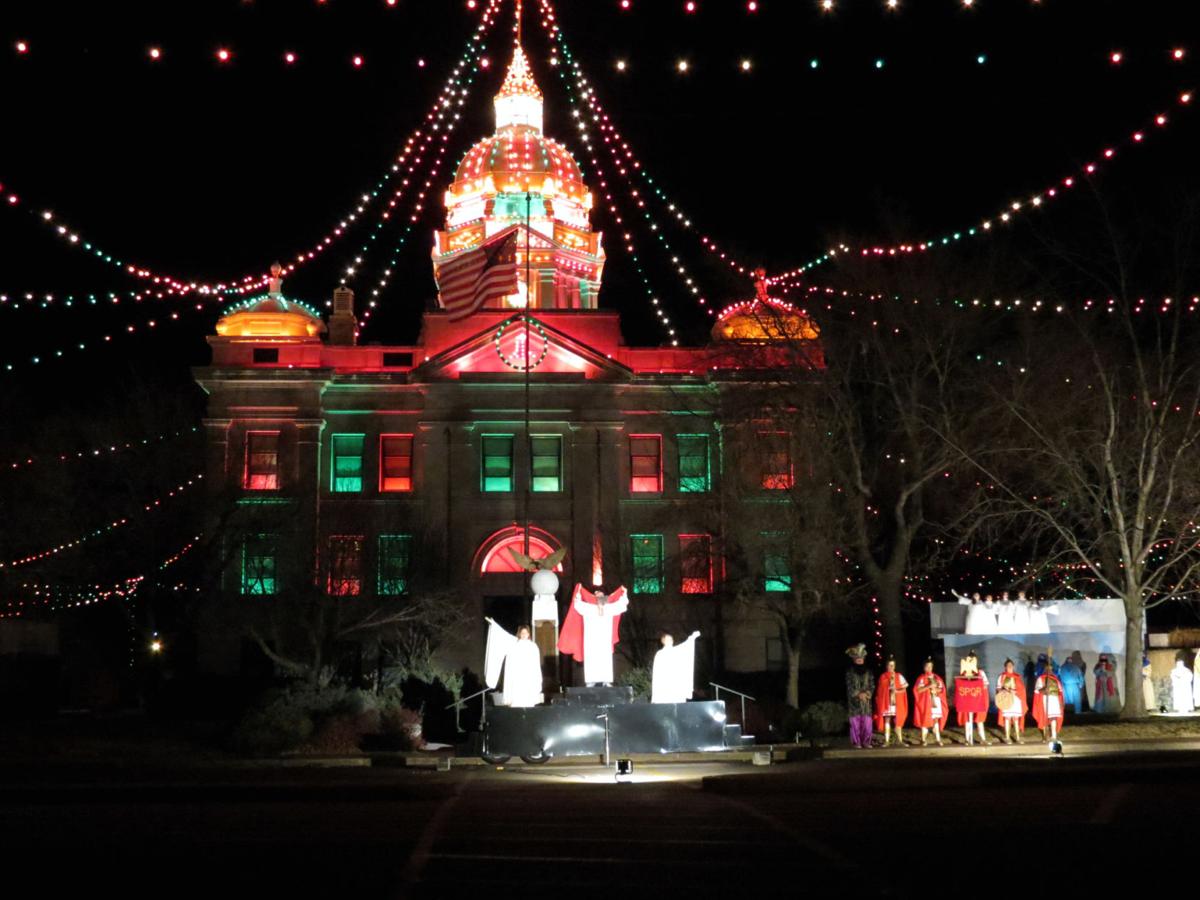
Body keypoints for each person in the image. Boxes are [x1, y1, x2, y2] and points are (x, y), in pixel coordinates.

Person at [557, 583, 629, 686]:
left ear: (604, 597)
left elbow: (622, 604)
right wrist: (578, 592)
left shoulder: (609, 608)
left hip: (604, 639)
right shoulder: (589, 609)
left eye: (601, 595)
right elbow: (577, 604)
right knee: (591, 658)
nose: (599, 597)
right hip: (591, 640)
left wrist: (624, 593)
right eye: (597, 595)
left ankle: (606, 680)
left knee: (605, 658)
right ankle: (591, 680)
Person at [483, 618, 544, 708]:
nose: (524, 635)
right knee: (517, 703)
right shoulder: (515, 644)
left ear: (529, 634)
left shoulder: (533, 646)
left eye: (525, 633)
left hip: (529, 679)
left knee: (528, 703)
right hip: (517, 680)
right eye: (522, 633)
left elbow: (536, 665)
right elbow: (503, 635)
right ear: (519, 634)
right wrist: (494, 624)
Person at [651, 630, 700, 704]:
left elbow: (685, 646)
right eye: (668, 639)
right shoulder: (660, 654)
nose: (670, 641)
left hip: (676, 687)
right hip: (664, 687)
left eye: (671, 639)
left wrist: (692, 637)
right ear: (663, 641)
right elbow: (657, 673)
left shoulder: (676, 651)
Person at [873, 656, 909, 747]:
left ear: (895, 666)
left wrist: (897, 691)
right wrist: (887, 687)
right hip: (887, 702)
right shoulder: (883, 676)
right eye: (889, 665)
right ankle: (887, 741)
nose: (891, 667)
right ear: (886, 666)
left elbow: (905, 687)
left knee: (898, 720)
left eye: (893, 665)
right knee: (887, 719)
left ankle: (899, 740)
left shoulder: (899, 676)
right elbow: (880, 689)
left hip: (897, 702)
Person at [955, 651, 990, 746]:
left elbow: (985, 686)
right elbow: (961, 685)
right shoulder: (964, 672)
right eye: (969, 659)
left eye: (973, 660)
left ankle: (982, 739)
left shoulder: (980, 672)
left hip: (977, 699)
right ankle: (968, 739)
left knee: (979, 720)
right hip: (967, 699)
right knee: (967, 719)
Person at [912, 657, 948, 746]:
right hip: (926, 702)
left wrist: (936, 690)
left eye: (930, 666)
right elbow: (918, 690)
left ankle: (938, 739)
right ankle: (923, 739)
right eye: (927, 666)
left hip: (936, 701)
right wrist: (928, 686)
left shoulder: (937, 677)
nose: (929, 668)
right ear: (924, 668)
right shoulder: (921, 678)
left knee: (935, 719)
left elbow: (942, 689)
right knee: (925, 719)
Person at [845, 643, 875, 749]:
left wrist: (867, 693)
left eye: (861, 659)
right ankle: (856, 742)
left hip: (866, 703)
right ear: (854, 660)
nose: (860, 660)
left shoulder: (869, 672)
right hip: (854, 703)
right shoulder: (849, 673)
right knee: (855, 724)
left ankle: (866, 742)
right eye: (857, 659)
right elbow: (849, 687)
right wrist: (858, 694)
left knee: (867, 724)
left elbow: (872, 685)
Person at [994, 658, 1028, 744]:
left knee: (1016, 718)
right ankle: (1007, 737)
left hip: (1016, 700)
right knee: (1007, 718)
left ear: (1013, 666)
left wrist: (1016, 692)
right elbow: (998, 689)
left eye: (1011, 665)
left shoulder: (1017, 676)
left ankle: (1017, 737)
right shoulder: (1002, 677)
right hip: (1006, 699)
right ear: (1005, 667)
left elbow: (1022, 689)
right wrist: (1005, 690)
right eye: (1008, 665)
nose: (1010, 667)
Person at [1033, 662, 1066, 741]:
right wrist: (1044, 689)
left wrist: (1061, 702)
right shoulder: (1040, 679)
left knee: (1053, 718)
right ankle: (1045, 736)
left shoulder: (1056, 679)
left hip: (1054, 701)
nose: (1049, 670)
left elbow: (1060, 691)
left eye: (1051, 669)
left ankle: (1054, 736)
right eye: (1048, 668)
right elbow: (1037, 690)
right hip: (1045, 700)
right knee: (1044, 718)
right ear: (1045, 669)